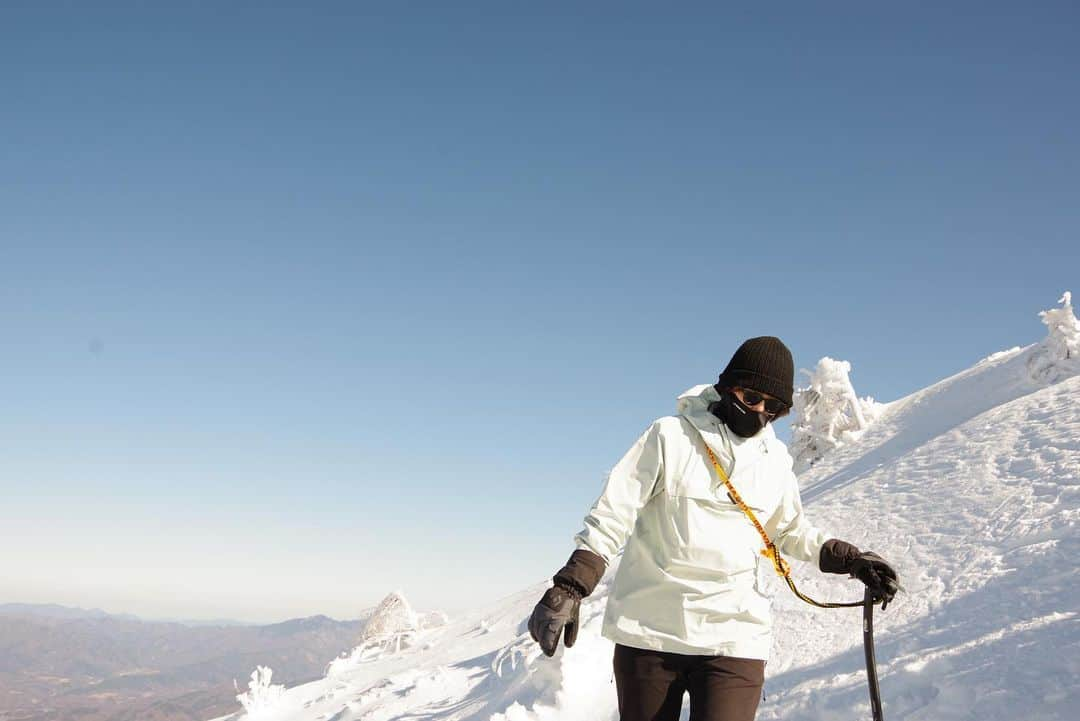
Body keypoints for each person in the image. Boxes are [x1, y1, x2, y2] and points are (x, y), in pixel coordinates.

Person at [528, 336, 899, 721]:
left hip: (735, 635)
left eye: (773, 407)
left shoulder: (774, 460)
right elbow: (615, 511)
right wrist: (572, 584)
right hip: (651, 632)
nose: (759, 412)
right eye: (751, 397)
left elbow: (789, 529)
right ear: (727, 387)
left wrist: (851, 560)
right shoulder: (670, 436)